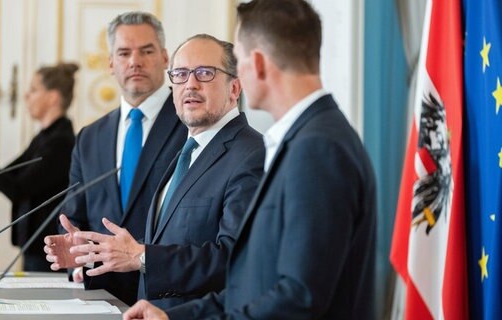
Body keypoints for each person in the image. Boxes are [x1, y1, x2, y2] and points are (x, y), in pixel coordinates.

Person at [123, 0, 377, 319]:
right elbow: (254, 282)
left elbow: (299, 297)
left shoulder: (317, 148)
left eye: (238, 61)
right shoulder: (306, 138)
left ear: (255, 64)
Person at [45, 34, 265, 309]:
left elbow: (235, 259)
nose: (190, 85)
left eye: (205, 73)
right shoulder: (189, 150)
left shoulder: (251, 155)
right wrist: (91, 255)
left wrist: (141, 256)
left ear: (234, 88)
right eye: (180, 74)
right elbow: (167, 242)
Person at [43, 12, 187, 305]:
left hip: (168, 299)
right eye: (124, 53)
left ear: (164, 58)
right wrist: (76, 252)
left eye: (146, 51)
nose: (135, 61)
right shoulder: (89, 137)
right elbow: (73, 215)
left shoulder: (190, 125)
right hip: (100, 297)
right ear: (111, 63)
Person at [0, 62, 78, 272]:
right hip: (34, 248)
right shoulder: (45, 138)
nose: (26, 96)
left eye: (33, 90)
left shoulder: (60, 142)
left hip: (46, 251)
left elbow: (16, 189)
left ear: (53, 97)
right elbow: (2, 179)